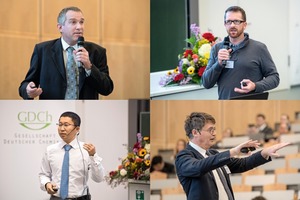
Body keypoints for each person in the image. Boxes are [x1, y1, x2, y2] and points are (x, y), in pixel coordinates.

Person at [175, 112, 289, 200]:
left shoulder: (213, 153)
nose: (214, 133)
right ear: (195, 132)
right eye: (211, 130)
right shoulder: (183, 157)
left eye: (214, 129)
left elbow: (242, 164)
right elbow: (199, 167)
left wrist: (264, 153)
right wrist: (233, 151)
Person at [19, 7, 113, 99]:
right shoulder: (43, 51)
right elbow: (25, 85)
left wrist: (89, 67)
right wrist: (28, 90)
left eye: (81, 22)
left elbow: (107, 88)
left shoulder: (97, 52)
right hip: (51, 110)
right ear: (60, 27)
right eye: (73, 22)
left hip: (85, 111)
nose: (79, 27)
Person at [202, 6, 279, 99]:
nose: (232, 25)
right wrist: (218, 64)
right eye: (229, 22)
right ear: (225, 24)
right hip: (225, 108)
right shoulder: (217, 48)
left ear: (245, 25)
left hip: (252, 107)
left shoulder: (259, 48)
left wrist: (255, 86)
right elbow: (206, 83)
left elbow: (274, 78)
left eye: (237, 21)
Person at [39, 111, 105, 199]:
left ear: (77, 129)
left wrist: (93, 156)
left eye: (66, 125)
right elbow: (44, 174)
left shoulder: (86, 150)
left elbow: (98, 178)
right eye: (60, 124)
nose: (62, 129)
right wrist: (47, 184)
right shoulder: (50, 150)